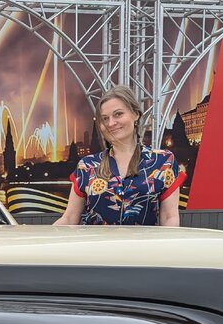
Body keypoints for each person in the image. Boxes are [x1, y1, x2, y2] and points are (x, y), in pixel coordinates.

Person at [54, 85, 184, 227]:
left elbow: (170, 218)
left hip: (144, 242)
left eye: (118, 114)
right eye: (105, 118)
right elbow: (69, 218)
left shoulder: (163, 162)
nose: (111, 123)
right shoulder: (87, 166)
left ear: (135, 114)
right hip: (94, 242)